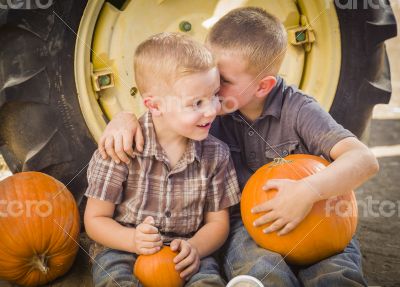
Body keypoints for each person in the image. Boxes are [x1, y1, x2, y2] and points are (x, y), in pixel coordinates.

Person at [98, 7, 379, 287]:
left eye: (223, 81)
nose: (212, 88)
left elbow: (364, 159)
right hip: (249, 224)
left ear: (262, 86)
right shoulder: (210, 113)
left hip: (318, 217)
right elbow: (168, 109)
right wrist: (125, 120)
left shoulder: (298, 110)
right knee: (259, 269)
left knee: (336, 274)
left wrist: (307, 191)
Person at [84, 32, 241, 287]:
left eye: (214, 95)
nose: (212, 109)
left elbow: (217, 223)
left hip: (187, 250)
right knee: (114, 280)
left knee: (208, 281)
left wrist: (196, 248)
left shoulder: (216, 155)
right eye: (196, 103)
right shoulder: (120, 148)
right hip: (123, 249)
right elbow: (94, 220)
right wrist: (132, 239)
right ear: (155, 106)